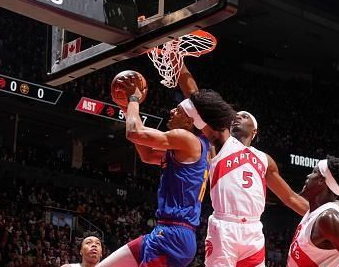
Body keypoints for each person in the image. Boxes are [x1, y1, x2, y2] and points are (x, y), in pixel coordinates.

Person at [96, 74, 235, 267]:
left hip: (173, 236)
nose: (171, 111)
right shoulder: (190, 148)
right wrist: (126, 107)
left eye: (177, 110)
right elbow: (146, 154)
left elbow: (134, 132)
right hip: (166, 232)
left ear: (189, 120)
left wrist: (134, 98)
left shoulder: (186, 139)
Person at [177, 64, 308, 266]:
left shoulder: (265, 159)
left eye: (245, 116)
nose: (238, 116)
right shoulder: (221, 142)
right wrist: (179, 63)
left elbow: (290, 197)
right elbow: (197, 100)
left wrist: (325, 214)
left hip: (253, 230)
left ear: (254, 131)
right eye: (236, 115)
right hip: (224, 226)